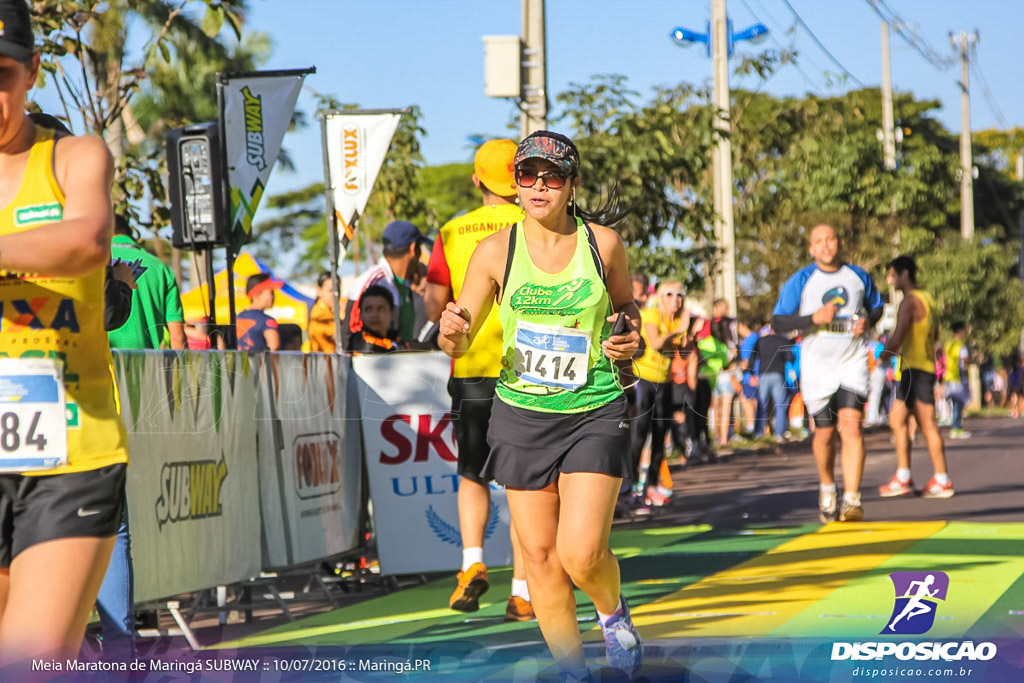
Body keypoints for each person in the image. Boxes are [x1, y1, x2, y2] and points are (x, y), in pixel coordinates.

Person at [438, 131, 642, 679]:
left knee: (579, 552)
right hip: (521, 414)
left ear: (571, 185)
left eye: (552, 176)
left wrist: (630, 334)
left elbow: (627, 307)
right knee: (541, 559)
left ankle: (611, 611)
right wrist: (450, 330)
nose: (538, 186)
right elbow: (459, 336)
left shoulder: (604, 244)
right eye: (527, 175)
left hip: (594, 408)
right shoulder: (494, 250)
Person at [0, 0, 130, 661]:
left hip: (69, 460)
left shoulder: (77, 155)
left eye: (1, 74)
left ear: (32, 73)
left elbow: (88, 240)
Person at [423, 139, 533, 621]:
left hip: (470, 369)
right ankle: (525, 589)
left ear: (477, 180)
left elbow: (434, 303)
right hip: (527, 371)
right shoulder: (536, 226)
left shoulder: (452, 231)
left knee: (472, 473)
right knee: (525, 485)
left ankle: (471, 564)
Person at [772, 224, 884, 523]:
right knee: (823, 434)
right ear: (811, 248)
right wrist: (812, 318)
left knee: (852, 428)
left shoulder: (858, 276)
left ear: (840, 242)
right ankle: (827, 487)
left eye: (830, 239)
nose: (825, 245)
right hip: (817, 365)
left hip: (852, 359)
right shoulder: (802, 280)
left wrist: (866, 322)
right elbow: (779, 321)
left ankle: (852, 498)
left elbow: (877, 308)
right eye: (819, 241)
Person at [878, 256, 954, 499]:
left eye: (893, 275)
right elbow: (936, 335)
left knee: (927, 423)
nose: (890, 280)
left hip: (916, 370)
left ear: (905, 275)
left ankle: (942, 479)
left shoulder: (909, 301)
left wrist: (881, 356)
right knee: (897, 420)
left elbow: (898, 336)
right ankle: (903, 476)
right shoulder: (928, 298)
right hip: (918, 368)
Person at [631, 282, 690, 507]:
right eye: (669, 294)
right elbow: (655, 343)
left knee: (660, 436)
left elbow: (683, 353)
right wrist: (678, 330)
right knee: (639, 434)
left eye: (679, 295)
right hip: (643, 379)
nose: (675, 299)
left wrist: (689, 336)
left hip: (664, 382)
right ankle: (630, 486)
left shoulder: (678, 320)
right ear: (660, 297)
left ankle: (652, 485)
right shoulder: (653, 314)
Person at [345, 220, 431, 349]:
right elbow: (352, 337)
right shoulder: (375, 281)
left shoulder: (404, 284)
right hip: (368, 367)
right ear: (413, 248)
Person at [107, 215, 186, 351]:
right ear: (128, 233)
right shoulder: (160, 268)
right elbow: (177, 338)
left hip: (103, 365)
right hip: (149, 366)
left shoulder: (96, 262)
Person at [749, 325, 794, 440]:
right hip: (778, 375)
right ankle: (779, 433)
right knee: (780, 405)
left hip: (763, 375)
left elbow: (752, 357)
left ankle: (758, 433)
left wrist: (751, 374)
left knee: (761, 404)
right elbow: (790, 358)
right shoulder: (783, 341)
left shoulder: (761, 341)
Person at [348, 285, 410, 354]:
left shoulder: (399, 343)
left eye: (381, 309)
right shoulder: (360, 346)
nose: (374, 315)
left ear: (392, 313)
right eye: (368, 309)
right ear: (360, 315)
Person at [237, 272, 282, 351]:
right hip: (259, 363)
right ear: (256, 294)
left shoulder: (237, 318)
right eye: (271, 293)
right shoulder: (267, 321)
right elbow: (274, 346)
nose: (274, 297)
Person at [943, 323, 971, 437]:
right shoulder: (960, 345)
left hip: (948, 375)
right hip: (957, 376)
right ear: (960, 331)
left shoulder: (948, 344)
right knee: (959, 402)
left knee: (954, 402)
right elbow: (964, 360)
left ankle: (956, 425)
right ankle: (956, 427)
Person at [308, 271, 338, 353]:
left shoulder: (331, 310)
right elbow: (338, 334)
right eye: (331, 290)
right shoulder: (319, 313)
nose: (336, 294)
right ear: (319, 291)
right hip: (325, 362)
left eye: (338, 289)